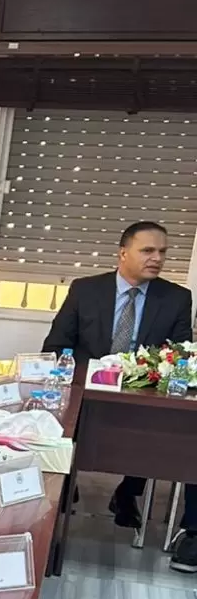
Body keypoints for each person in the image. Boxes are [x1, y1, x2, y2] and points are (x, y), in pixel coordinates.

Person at [42, 220, 197, 570]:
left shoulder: (176, 298)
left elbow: (181, 357)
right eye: (148, 250)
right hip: (88, 395)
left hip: (147, 401)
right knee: (53, 417)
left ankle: (187, 529)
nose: (157, 258)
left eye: (163, 252)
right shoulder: (85, 290)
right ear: (123, 253)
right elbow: (55, 346)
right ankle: (56, 501)